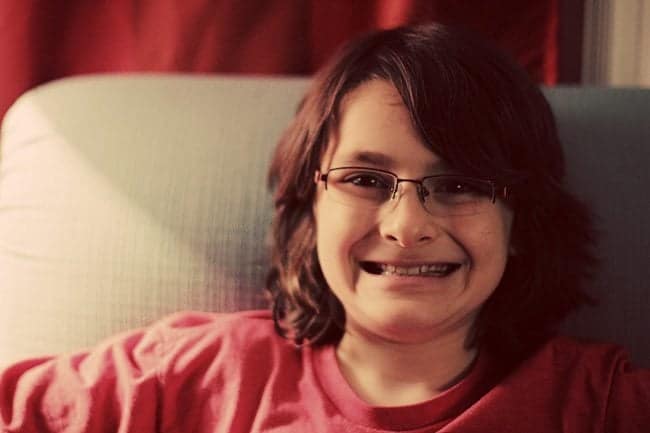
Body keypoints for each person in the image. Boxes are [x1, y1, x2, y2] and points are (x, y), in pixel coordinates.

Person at [1, 23, 648, 433]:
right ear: (309, 206)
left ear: (522, 220)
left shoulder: (596, 403)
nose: (407, 225)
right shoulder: (182, 378)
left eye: (461, 184)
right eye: (366, 180)